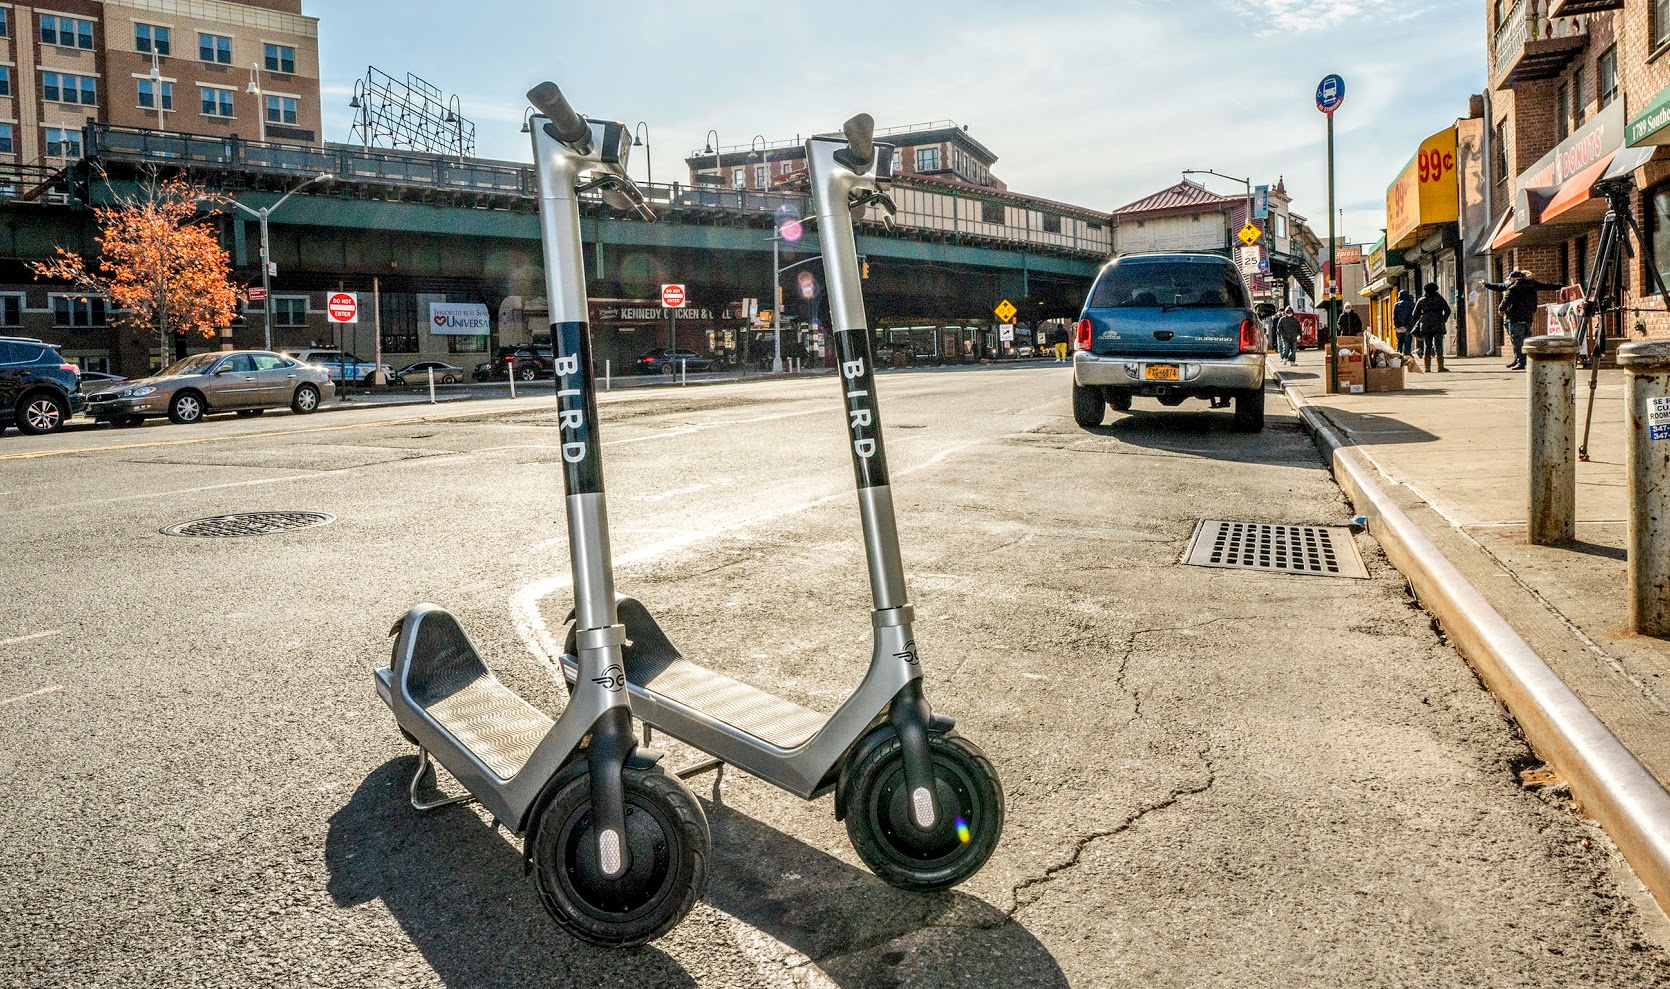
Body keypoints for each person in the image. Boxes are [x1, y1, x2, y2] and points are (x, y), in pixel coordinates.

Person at [1482, 270, 1563, 370]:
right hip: (1528, 316)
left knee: (1517, 340)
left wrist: (1501, 309)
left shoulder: (1512, 288)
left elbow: (1506, 298)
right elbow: (1547, 286)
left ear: (1515, 278)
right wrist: (1561, 286)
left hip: (1515, 317)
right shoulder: (1532, 285)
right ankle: (1520, 360)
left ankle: (1521, 362)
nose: (1510, 280)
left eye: (1511, 278)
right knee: (1525, 339)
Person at [1411, 282, 1451, 373]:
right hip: (1438, 324)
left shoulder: (1421, 300)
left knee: (1427, 345)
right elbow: (1448, 310)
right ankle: (1440, 367)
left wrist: (1421, 320)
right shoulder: (1439, 299)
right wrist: (1443, 319)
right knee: (1439, 345)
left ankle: (1427, 367)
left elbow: (1414, 314)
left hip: (1425, 325)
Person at [1392, 289, 1417, 357]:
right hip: (1408, 326)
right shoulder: (1412, 304)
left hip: (1399, 326)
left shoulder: (1396, 305)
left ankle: (1399, 355)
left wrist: (1397, 326)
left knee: (1399, 341)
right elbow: (1413, 316)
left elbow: (1394, 317)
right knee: (1407, 342)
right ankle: (1407, 355)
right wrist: (1408, 326)